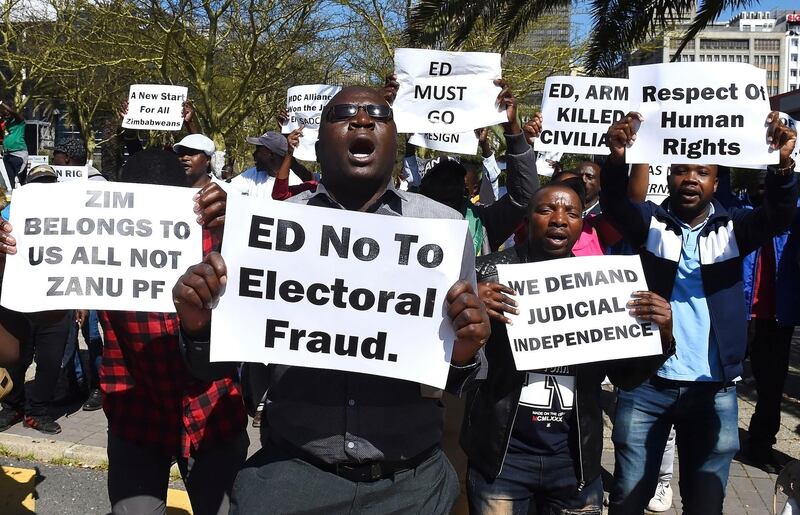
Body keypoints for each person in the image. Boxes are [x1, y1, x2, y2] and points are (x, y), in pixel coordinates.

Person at [174, 85, 491, 514]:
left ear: (395, 141)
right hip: (290, 480)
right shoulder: (269, 229)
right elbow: (215, 368)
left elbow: (462, 379)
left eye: (378, 114)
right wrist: (198, 325)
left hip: (411, 488)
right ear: (318, 144)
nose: (362, 121)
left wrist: (466, 352)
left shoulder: (442, 227)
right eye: (344, 114)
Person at [601, 111, 799, 514]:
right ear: (669, 176)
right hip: (647, 384)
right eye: (681, 171)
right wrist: (617, 158)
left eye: (702, 172)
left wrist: (782, 167)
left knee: (707, 502)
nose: (690, 178)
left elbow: (778, 217)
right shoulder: (649, 224)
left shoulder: (735, 229)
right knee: (627, 497)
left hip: (715, 388)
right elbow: (616, 203)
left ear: (715, 181)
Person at [463, 181, 675, 515]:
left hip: (574, 463)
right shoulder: (486, 275)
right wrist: (470, 310)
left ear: (581, 225)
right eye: (546, 209)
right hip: (502, 462)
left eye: (572, 212)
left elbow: (626, 377)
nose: (559, 219)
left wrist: (662, 334)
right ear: (527, 218)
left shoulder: (606, 286)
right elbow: (453, 370)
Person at [416, 83, 540, 256]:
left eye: (454, 180)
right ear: (421, 189)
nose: (446, 183)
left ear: (465, 191)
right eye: (438, 178)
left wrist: (512, 129)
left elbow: (525, 199)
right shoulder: (399, 216)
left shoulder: (485, 224)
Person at [0, 165, 72, 434]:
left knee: (51, 361)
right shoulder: (9, 214)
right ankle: (12, 406)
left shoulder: (71, 218)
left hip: (56, 302)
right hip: (17, 301)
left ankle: (37, 411)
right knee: (14, 359)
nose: (43, 188)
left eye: (49, 183)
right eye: (37, 183)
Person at [742, 169, 800, 474]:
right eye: (757, 185)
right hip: (738, 315)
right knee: (720, 382)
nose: (763, 190)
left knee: (771, 389)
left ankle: (761, 447)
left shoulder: (793, 219)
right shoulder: (738, 216)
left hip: (776, 317)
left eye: (770, 186)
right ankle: (710, 440)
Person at [231, 130, 313, 197]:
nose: (254, 154)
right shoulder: (253, 174)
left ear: (271, 155)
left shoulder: (294, 184)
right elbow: (229, 189)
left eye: (258, 151)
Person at [1, 100, 27, 187]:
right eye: (4, 112)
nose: (6, 113)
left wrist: (1, 103)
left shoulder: (20, 120)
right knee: (9, 181)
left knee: (19, 180)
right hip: (7, 155)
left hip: (18, 154)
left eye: (7, 111)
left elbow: (13, 112)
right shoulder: (6, 124)